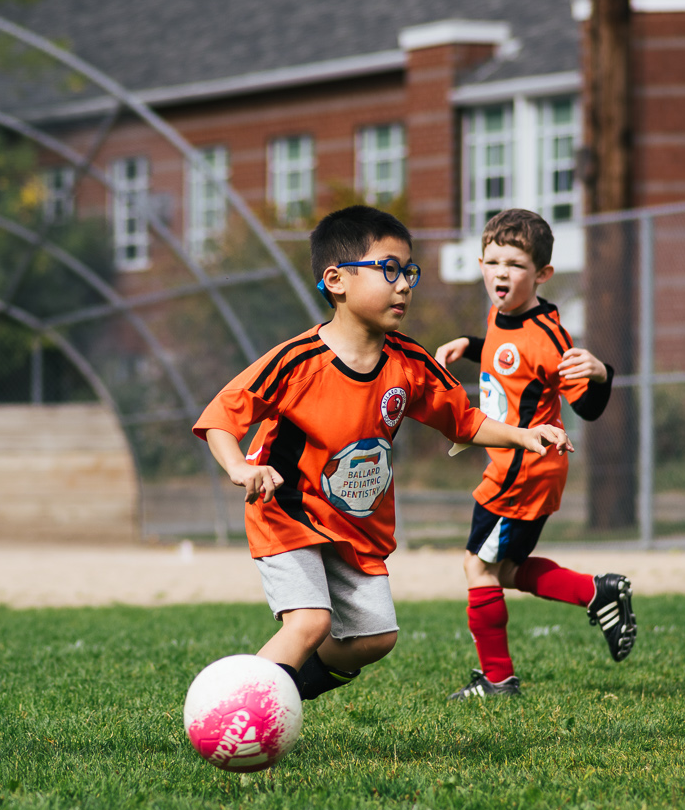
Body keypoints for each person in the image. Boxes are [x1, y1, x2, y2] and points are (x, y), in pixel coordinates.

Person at [194, 204, 571, 712]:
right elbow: (221, 416)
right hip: (287, 512)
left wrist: (524, 437)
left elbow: (465, 420)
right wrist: (240, 468)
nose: (404, 284)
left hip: (356, 528)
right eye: (388, 269)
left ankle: (283, 692)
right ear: (336, 281)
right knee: (310, 622)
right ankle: (238, 715)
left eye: (409, 271)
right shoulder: (298, 361)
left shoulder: (409, 362)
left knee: (375, 638)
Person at [432, 208, 633, 700]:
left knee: (478, 568)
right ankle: (596, 592)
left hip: (523, 468)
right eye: (493, 261)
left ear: (541, 274)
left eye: (515, 264)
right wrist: (471, 344)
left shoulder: (549, 337)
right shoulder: (504, 314)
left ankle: (498, 680)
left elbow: (586, 406)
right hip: (521, 465)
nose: (501, 272)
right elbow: (508, 356)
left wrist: (603, 372)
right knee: (503, 570)